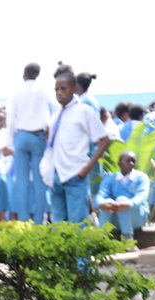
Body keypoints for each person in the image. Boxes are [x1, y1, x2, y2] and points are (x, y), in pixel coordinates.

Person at [44, 72, 108, 224]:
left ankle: (79, 249)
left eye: (63, 88)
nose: (59, 92)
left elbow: (104, 140)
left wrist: (86, 169)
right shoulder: (56, 113)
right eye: (56, 89)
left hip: (75, 173)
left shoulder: (84, 111)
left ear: (74, 88)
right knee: (58, 222)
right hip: (56, 174)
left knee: (77, 222)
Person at [7, 63, 53, 222]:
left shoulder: (17, 93)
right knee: (40, 182)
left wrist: (9, 142)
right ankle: (40, 221)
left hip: (21, 136)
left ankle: (23, 220)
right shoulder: (43, 92)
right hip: (38, 137)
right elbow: (52, 112)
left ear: (24, 74)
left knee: (22, 181)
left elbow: (10, 119)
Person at [95, 151, 150, 240]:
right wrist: (101, 204)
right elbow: (101, 195)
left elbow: (142, 196)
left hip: (137, 217)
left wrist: (128, 204)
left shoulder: (142, 177)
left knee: (122, 200)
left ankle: (128, 239)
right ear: (119, 163)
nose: (131, 163)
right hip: (116, 218)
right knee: (107, 202)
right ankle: (102, 238)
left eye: (133, 161)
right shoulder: (110, 179)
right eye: (128, 161)